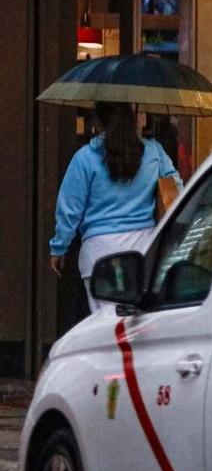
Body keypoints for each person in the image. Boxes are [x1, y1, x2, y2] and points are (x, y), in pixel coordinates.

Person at [48, 102, 181, 313]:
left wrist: (59, 248)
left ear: (99, 122)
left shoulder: (84, 158)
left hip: (98, 253)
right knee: (137, 326)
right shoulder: (154, 152)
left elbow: (70, 209)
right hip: (142, 250)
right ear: (133, 118)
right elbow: (176, 191)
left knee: (106, 328)